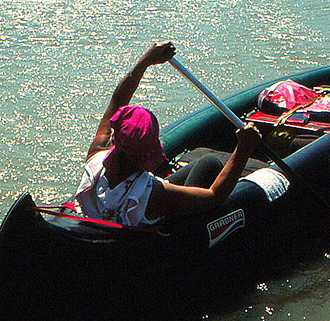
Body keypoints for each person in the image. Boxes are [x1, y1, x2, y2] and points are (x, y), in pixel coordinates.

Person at [74, 41, 261, 227]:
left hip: (106, 212)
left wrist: (144, 61)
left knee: (204, 163)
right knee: (209, 164)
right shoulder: (154, 195)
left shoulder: (95, 157)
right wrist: (243, 149)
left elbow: (117, 100)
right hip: (149, 224)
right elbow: (214, 196)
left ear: (115, 137)